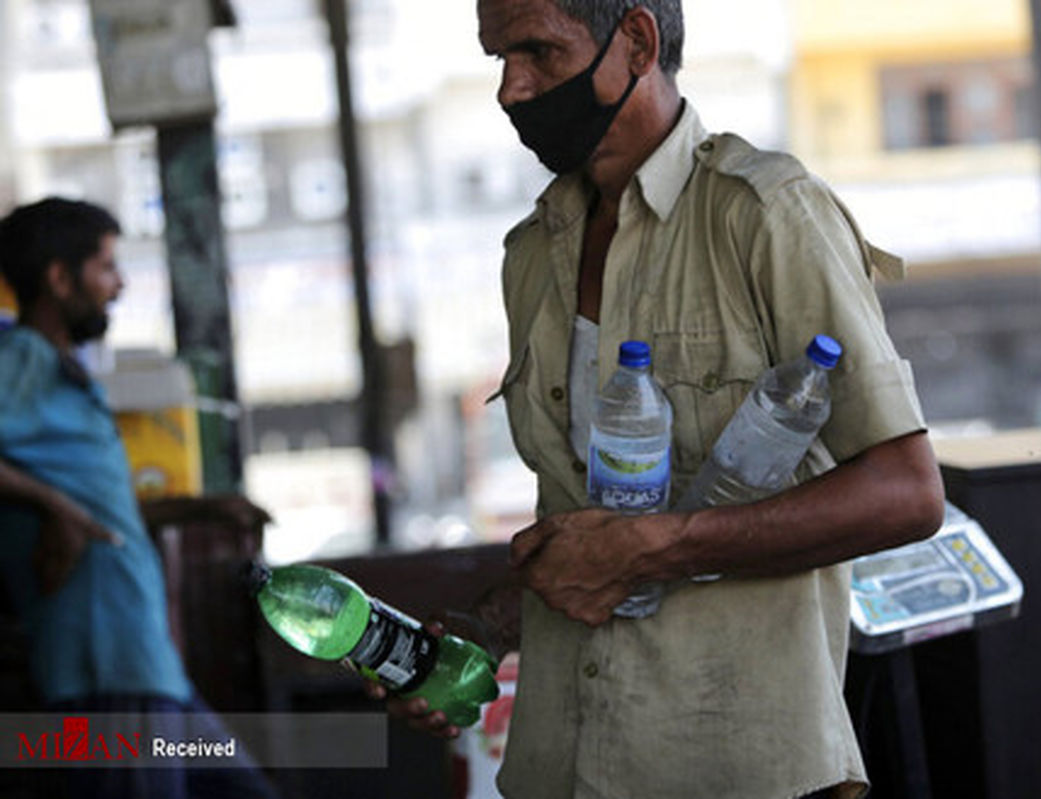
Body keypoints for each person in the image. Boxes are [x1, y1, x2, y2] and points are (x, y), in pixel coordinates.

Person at [384, 2, 946, 797]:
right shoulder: (532, 253)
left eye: (539, 51)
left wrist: (659, 548)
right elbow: (589, 527)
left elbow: (906, 493)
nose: (511, 88)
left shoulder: (766, 215)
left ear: (638, 42)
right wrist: (492, 626)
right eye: (499, 59)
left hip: (737, 769)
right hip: (562, 769)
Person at [0, 197, 277, 799]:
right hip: (103, 669)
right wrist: (53, 507)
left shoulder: (65, 373)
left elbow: (107, 513)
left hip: (146, 666)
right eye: (106, 267)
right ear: (59, 278)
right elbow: (77, 510)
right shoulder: (21, 361)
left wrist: (205, 508)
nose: (119, 284)